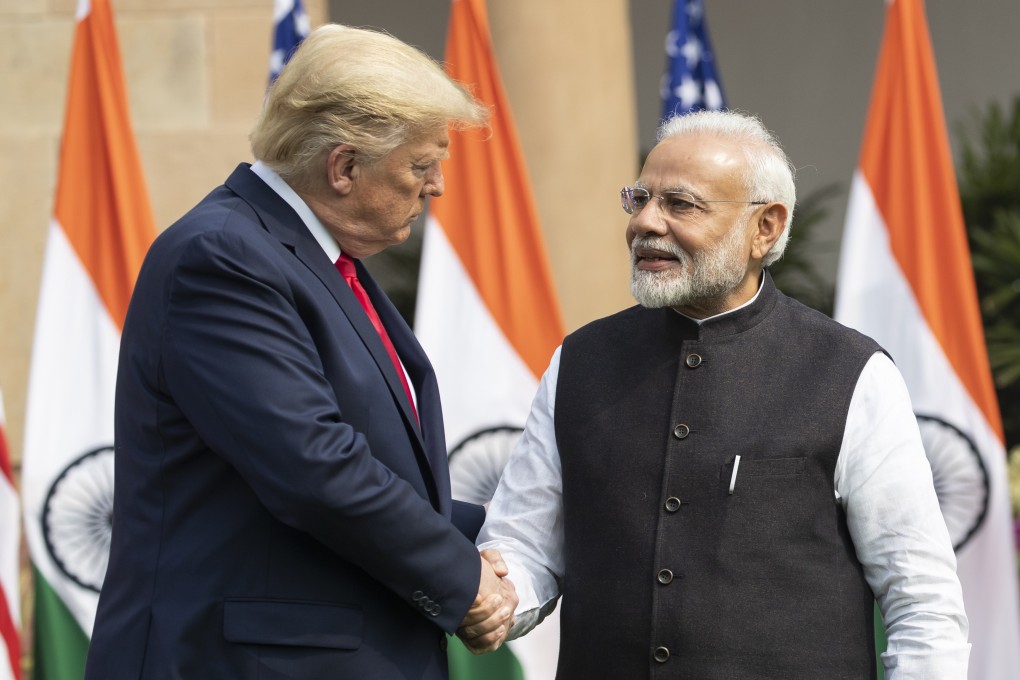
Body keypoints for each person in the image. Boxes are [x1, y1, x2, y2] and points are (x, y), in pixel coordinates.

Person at [85, 24, 516, 680]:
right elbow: (314, 466)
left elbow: (358, 460)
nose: (437, 188)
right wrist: (463, 580)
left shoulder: (312, 253)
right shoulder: (223, 256)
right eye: (421, 166)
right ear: (343, 166)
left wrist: (482, 537)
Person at [475, 110, 970, 678]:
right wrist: (496, 600)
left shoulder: (850, 372)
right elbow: (527, 543)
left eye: (679, 204)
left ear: (766, 227)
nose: (645, 224)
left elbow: (921, 596)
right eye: (638, 198)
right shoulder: (581, 360)